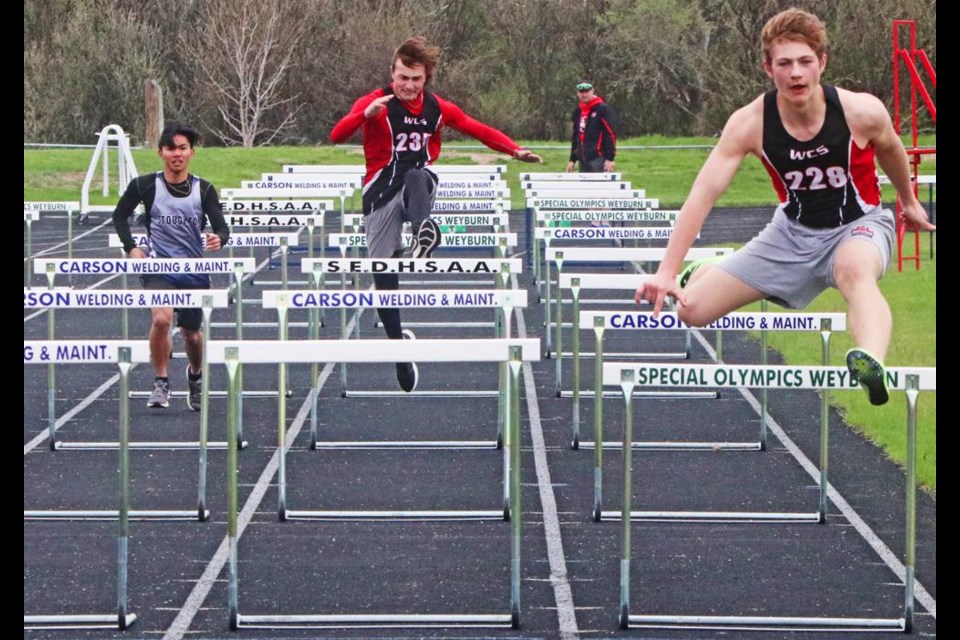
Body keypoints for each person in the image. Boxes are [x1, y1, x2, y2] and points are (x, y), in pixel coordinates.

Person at [634, 8, 935, 406]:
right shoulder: (749, 123)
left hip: (858, 226)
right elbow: (703, 194)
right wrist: (667, 271)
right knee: (692, 312)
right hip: (790, 235)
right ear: (768, 68)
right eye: (785, 63)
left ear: (822, 63)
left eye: (805, 62)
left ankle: (871, 363)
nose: (796, 74)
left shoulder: (861, 111)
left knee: (854, 271)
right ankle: (706, 270)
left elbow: (893, 150)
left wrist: (909, 201)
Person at [330, 36, 541, 392]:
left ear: (426, 79)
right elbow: (336, 135)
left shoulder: (438, 107)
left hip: (418, 187)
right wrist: (363, 116)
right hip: (379, 193)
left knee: (417, 174)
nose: (408, 87)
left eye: (416, 80)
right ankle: (399, 351)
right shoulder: (374, 101)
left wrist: (514, 150)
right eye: (402, 78)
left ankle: (423, 231)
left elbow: (477, 128)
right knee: (384, 278)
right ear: (392, 73)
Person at [112, 122, 229, 411]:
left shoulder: (205, 190)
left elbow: (222, 227)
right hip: (159, 268)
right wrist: (132, 247)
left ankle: (195, 375)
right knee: (161, 320)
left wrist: (218, 239)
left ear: (192, 152)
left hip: (192, 271)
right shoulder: (145, 185)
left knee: (192, 334)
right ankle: (161, 381)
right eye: (170, 148)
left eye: (182, 148)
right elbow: (119, 215)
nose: (176, 154)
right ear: (160, 152)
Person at [566, 81, 618, 173]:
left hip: (598, 157)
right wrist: (572, 159)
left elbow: (610, 134)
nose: (584, 94)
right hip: (583, 159)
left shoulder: (602, 109)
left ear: (592, 91)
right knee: (585, 186)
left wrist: (610, 158)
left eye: (587, 91)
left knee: (600, 186)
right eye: (581, 92)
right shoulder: (578, 111)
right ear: (578, 93)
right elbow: (576, 136)